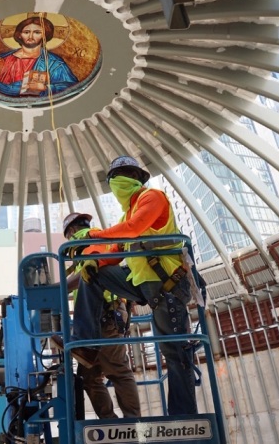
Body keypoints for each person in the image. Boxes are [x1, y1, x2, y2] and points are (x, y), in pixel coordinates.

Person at [68, 156, 198, 416]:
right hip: (143, 286)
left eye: (127, 175)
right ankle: (83, 342)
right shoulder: (128, 212)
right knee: (94, 274)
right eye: (118, 176)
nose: (121, 182)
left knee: (174, 352)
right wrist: (92, 260)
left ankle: (183, 418)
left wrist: (93, 235)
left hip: (168, 285)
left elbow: (133, 229)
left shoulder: (152, 198)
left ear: (138, 179)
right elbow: (115, 250)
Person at [56, 212, 141, 419]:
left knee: (117, 371)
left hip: (103, 315)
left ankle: (132, 427)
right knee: (90, 376)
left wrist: (57, 289)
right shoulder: (100, 238)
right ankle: (116, 427)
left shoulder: (83, 241)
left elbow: (91, 271)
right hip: (103, 316)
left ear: (72, 231)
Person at [0, 15, 78, 97]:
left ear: (45, 35)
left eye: (37, 32)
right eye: (26, 32)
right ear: (19, 35)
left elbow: (72, 86)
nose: (30, 36)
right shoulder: (2, 60)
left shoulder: (54, 63)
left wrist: (46, 88)